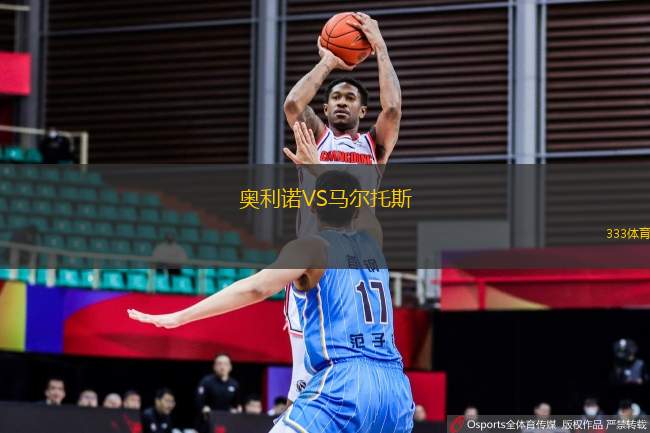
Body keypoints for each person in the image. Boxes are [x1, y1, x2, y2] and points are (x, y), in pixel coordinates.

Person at [128, 168, 415, 432]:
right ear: (356, 209)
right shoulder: (374, 243)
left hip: (345, 382)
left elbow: (256, 288)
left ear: (312, 206)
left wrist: (179, 316)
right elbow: (365, 212)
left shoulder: (312, 248)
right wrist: (319, 170)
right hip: (396, 389)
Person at [282, 11, 401, 405]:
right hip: (313, 265)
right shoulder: (315, 138)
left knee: (351, 379)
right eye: (335, 97)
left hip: (356, 270)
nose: (341, 103)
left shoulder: (373, 146)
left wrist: (380, 46)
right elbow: (293, 105)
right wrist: (328, 62)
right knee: (303, 385)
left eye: (350, 98)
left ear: (362, 111)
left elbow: (393, 110)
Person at [195, 353, 241, 432]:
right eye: (219, 364)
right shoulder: (206, 381)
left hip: (227, 422)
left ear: (230, 367)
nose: (222, 367)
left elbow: (237, 404)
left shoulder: (234, 384)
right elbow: (199, 401)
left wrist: (237, 410)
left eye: (225, 364)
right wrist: (203, 408)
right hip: (208, 422)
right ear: (214, 366)